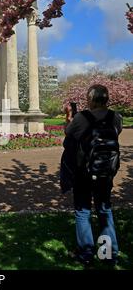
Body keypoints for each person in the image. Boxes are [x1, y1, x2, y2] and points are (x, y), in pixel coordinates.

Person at [63, 84, 123, 266]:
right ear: (107, 99)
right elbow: (116, 133)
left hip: (84, 171)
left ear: (90, 99)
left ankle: (86, 253)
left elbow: (68, 135)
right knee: (104, 209)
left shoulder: (82, 118)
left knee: (83, 211)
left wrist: (68, 118)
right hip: (107, 171)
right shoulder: (116, 117)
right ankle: (108, 254)